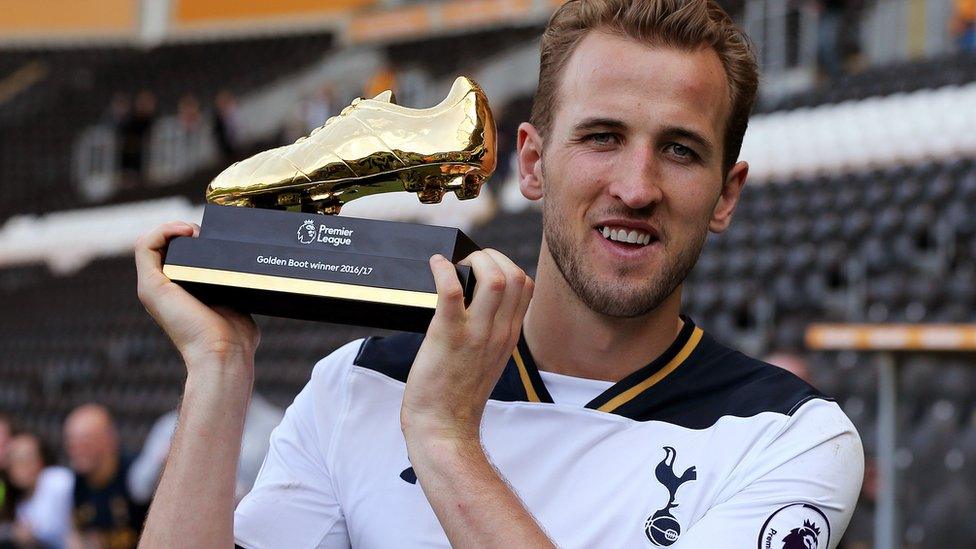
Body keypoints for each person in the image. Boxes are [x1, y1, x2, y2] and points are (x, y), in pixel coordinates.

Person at [135, 1, 863, 547]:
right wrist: (219, 369)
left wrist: (446, 436)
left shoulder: (786, 437)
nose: (636, 187)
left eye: (679, 150)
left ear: (726, 194)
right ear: (533, 162)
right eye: (602, 138)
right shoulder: (356, 384)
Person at [128, 393, 283, 505]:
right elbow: (138, 488)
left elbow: (281, 497)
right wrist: (162, 463)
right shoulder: (170, 425)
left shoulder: (274, 426)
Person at [63, 404, 146, 549]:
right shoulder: (76, 482)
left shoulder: (138, 477)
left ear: (110, 439)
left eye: (85, 439)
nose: (75, 447)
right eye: (71, 440)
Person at [6, 432, 73, 548]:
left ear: (41, 460)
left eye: (25, 457)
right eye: (13, 458)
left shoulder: (56, 480)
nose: (19, 465)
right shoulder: (22, 503)